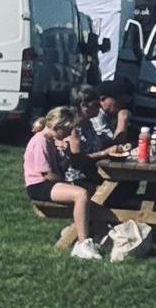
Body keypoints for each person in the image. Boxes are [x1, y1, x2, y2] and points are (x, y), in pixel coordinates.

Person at [22, 106, 106, 261]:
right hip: (39, 186)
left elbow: (60, 169)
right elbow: (48, 175)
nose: (69, 134)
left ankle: (94, 235)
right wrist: (68, 184)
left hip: (48, 183)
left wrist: (66, 154)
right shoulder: (40, 142)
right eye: (67, 130)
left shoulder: (50, 141)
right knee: (81, 194)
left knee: (87, 193)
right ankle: (83, 243)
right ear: (57, 127)